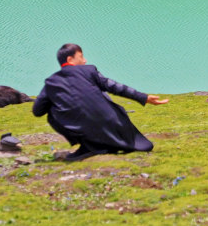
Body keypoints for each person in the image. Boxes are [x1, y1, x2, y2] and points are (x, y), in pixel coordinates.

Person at [32, 43, 169, 161]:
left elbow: (37, 111)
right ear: (70, 59)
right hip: (114, 125)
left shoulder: (51, 82)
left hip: (82, 129)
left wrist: (56, 99)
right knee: (144, 145)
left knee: (51, 111)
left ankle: (89, 146)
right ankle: (108, 144)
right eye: (81, 56)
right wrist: (143, 97)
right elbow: (115, 87)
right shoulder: (89, 71)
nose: (85, 61)